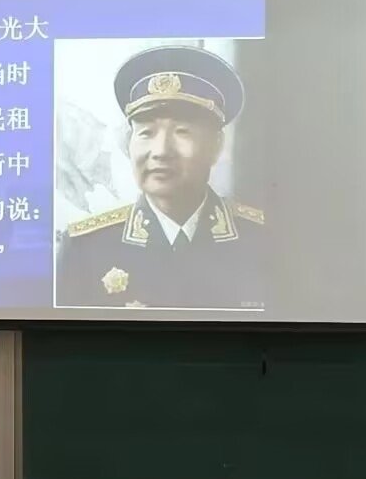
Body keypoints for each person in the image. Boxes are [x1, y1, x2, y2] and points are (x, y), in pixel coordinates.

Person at [55, 44, 265, 310]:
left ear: (216, 145)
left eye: (182, 131)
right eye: (146, 133)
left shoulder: (261, 240)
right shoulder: (85, 249)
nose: (161, 151)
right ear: (129, 144)